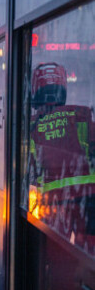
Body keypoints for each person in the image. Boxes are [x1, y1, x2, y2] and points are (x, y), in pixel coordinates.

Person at [28, 62, 95, 252]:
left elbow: (29, 168)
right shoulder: (81, 114)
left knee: (56, 253)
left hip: (54, 202)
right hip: (88, 199)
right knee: (89, 254)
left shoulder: (31, 126)